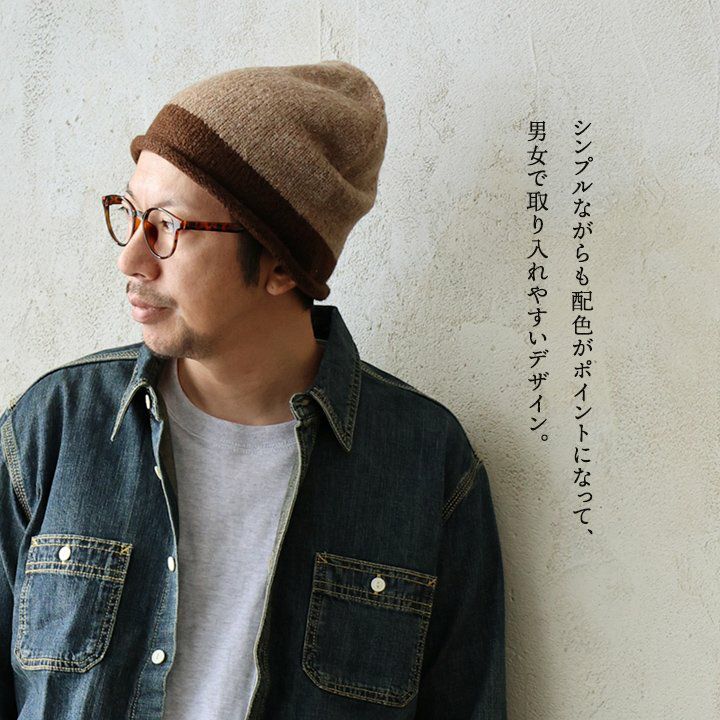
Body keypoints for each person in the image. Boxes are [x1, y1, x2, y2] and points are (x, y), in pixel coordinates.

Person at [0, 60, 506, 719]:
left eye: (169, 226)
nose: (131, 258)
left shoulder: (425, 466)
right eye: (131, 214)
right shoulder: (53, 428)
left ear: (279, 266)